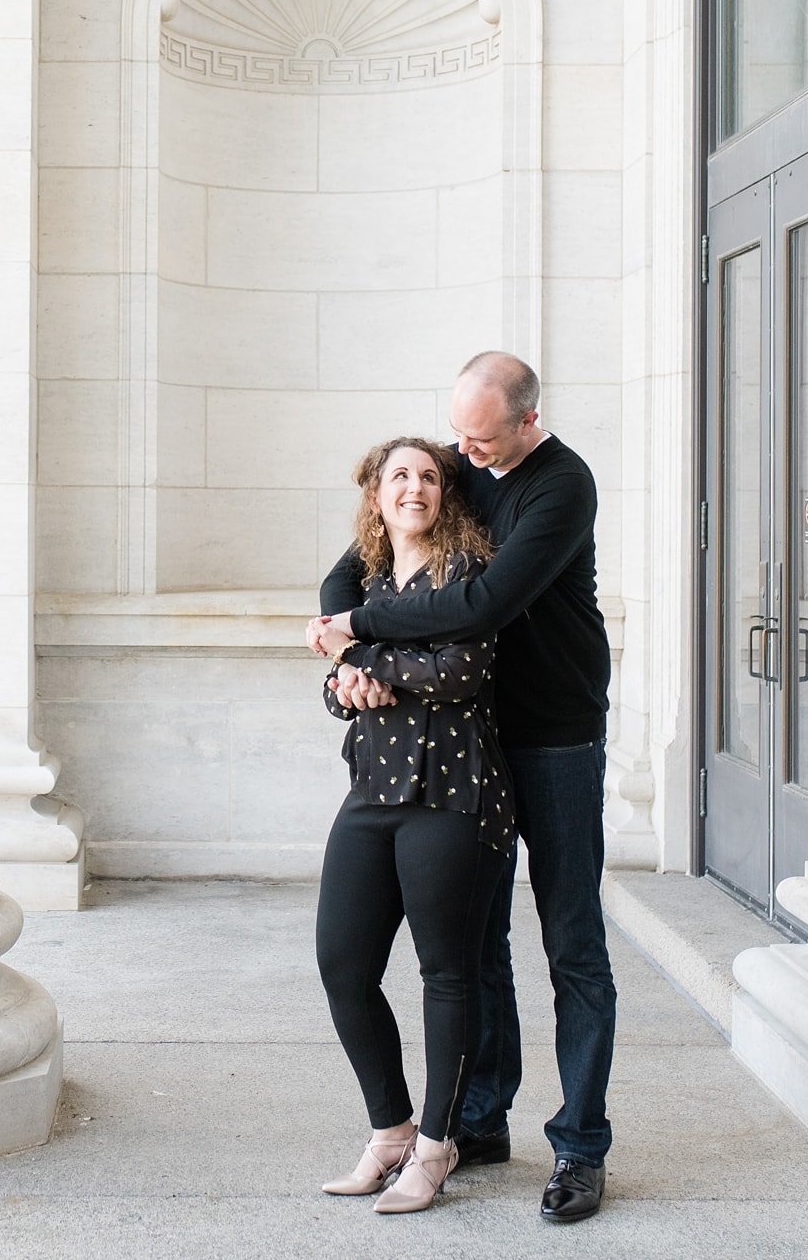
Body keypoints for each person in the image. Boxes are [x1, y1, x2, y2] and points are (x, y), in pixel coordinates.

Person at [307, 352, 616, 1224]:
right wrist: (347, 639)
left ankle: (581, 1146)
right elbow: (351, 566)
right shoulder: (464, 461)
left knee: (573, 946)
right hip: (463, 741)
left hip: (551, 735)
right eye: (459, 436)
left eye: (480, 440)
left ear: (527, 421)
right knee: (474, 945)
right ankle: (478, 1120)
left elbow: (481, 605)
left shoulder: (561, 486)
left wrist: (355, 635)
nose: (462, 456)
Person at [310, 436, 514, 1215]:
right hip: (372, 790)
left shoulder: (467, 574)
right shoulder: (361, 577)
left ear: (445, 495)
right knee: (342, 962)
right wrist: (349, 682)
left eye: (429, 476)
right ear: (376, 494)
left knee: (446, 973)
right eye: (400, 476)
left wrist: (359, 649)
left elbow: (460, 672)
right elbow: (337, 682)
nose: (415, 487)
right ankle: (390, 1128)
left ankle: (437, 1144)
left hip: (452, 794)